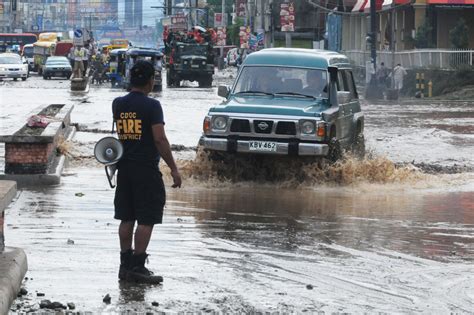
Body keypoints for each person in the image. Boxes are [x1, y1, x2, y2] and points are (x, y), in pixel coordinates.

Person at [112, 60, 182, 284]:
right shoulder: (152, 107)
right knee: (146, 217)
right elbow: (159, 139)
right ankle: (138, 266)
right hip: (145, 170)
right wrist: (173, 168)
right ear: (151, 81)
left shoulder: (117, 104)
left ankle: (124, 265)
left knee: (126, 216)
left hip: (124, 168)